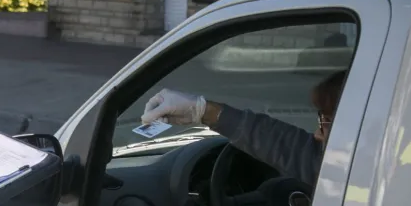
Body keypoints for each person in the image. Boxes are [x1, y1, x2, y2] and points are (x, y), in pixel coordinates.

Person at [140, 70, 347, 186]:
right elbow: (294, 150)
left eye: (327, 121)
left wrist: (202, 111)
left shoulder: (353, 182)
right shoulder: (348, 166)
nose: (317, 134)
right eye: (320, 120)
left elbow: (300, 156)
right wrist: (203, 111)